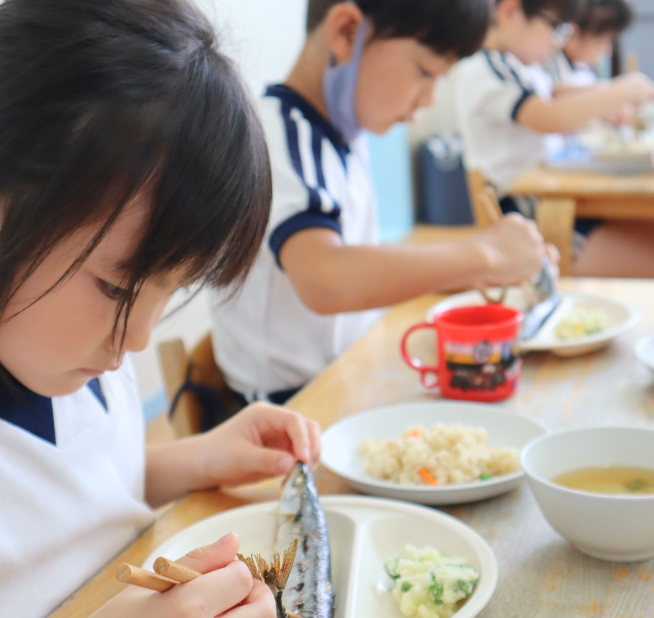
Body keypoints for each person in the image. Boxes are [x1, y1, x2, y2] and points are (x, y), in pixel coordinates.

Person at [0, 1, 320, 616]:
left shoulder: (59, 347)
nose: (138, 338)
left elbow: (59, 495)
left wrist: (194, 459)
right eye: (118, 288)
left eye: (172, 290)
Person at [210, 0, 556, 406]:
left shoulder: (340, 138)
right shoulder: (280, 138)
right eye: (426, 72)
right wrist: (483, 254)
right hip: (285, 413)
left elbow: (364, 265)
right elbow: (326, 279)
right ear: (346, 32)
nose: (429, 98)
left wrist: (479, 268)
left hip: (343, 379)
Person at [450, 0, 654, 277]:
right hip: (533, 218)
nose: (559, 43)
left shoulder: (518, 64)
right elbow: (549, 117)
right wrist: (619, 91)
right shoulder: (487, 68)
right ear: (510, 11)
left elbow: (558, 94)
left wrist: (609, 95)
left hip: (556, 200)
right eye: (555, 28)